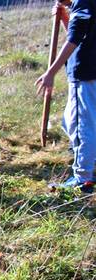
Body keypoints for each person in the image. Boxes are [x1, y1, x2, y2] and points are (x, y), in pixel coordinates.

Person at [37, 0, 95, 193]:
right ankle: (90, 164)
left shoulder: (83, 1)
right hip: (90, 73)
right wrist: (65, 19)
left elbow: (75, 38)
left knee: (80, 127)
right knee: (70, 122)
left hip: (85, 74)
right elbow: (81, 35)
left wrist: (51, 72)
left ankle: (83, 178)